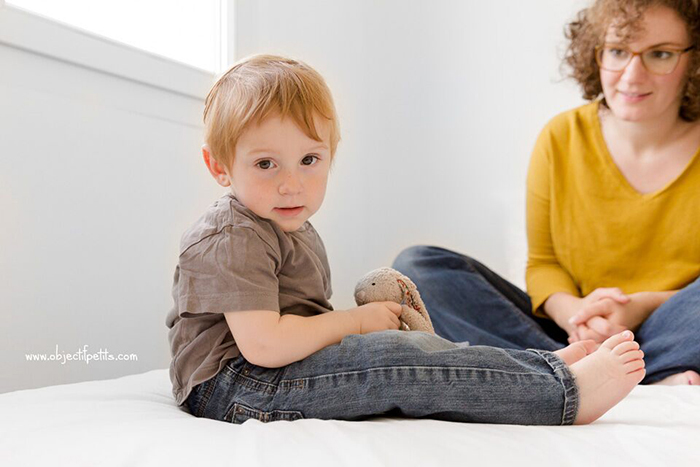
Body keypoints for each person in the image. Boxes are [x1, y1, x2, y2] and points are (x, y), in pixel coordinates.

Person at [165, 54, 644, 427]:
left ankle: (532, 367)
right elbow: (265, 345)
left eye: (309, 160)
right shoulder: (234, 234)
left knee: (407, 341)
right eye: (266, 164)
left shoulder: (286, 223)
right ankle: (562, 394)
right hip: (235, 387)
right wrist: (353, 324)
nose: (291, 183)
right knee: (392, 362)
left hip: (262, 374)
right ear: (220, 167)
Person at [394, 0, 699, 386]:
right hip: (568, 333)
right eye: (618, 52)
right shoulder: (561, 136)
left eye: (660, 54)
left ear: (694, 60)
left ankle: (583, 375)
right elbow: (544, 263)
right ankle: (592, 372)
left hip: (671, 327)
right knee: (417, 268)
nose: (632, 75)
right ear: (596, 53)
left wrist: (635, 309)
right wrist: (576, 315)